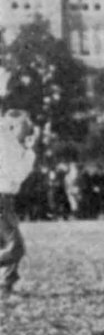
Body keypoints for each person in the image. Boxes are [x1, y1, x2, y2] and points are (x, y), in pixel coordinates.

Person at [1, 110, 41, 295]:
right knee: (15, 248)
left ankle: (6, 285)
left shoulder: (9, 142)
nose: (27, 131)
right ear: (12, 127)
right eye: (24, 126)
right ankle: (6, 283)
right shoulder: (8, 146)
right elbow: (18, 175)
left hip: (5, 199)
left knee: (7, 242)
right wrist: (30, 152)